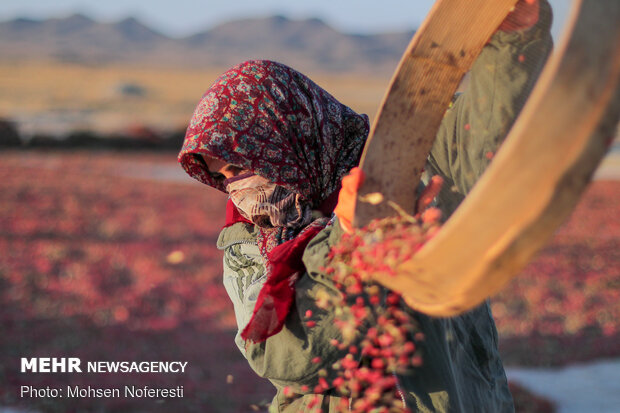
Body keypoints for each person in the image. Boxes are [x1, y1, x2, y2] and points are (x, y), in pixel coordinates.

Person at [178, 1, 552, 411]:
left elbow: (489, 136)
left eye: (240, 164)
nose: (235, 187)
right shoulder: (250, 241)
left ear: (288, 136)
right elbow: (284, 357)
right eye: (221, 175)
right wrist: (349, 239)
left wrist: (514, 42)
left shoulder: (403, 162)